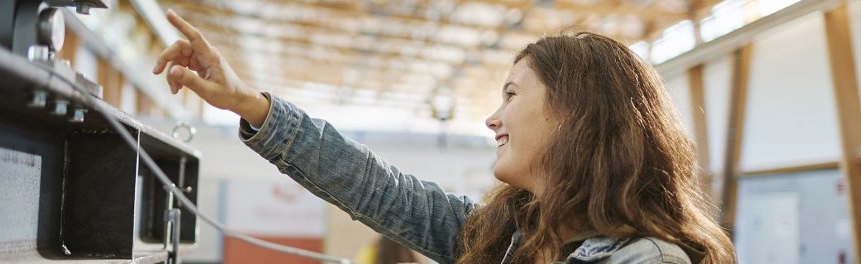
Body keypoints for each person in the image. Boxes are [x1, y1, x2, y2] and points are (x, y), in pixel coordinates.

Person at [152, 9, 735, 264]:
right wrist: (249, 103)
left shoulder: (648, 261)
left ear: (575, 115)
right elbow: (378, 189)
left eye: (511, 94)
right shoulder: (508, 237)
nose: (492, 117)